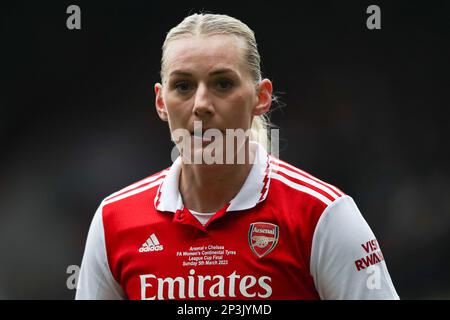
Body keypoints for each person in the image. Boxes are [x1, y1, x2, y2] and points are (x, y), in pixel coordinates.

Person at [75, 13, 399, 300]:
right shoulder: (113, 220)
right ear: (161, 102)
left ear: (261, 97)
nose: (201, 103)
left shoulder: (322, 215)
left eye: (223, 83)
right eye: (184, 86)